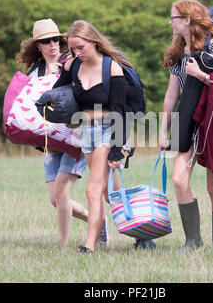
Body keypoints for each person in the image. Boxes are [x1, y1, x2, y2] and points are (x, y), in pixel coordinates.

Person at [52, 20, 155, 253]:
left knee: (92, 189)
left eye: (81, 48)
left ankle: (89, 247)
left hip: (109, 131)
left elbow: (121, 113)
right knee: (111, 193)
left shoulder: (112, 69)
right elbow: (60, 96)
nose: (77, 53)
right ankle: (143, 235)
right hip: (86, 132)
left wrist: (118, 150)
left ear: (94, 42)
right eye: (73, 49)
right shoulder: (74, 66)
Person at [15, 18, 108, 247]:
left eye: (56, 39)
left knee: (62, 193)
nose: (53, 44)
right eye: (46, 41)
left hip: (74, 138)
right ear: (38, 45)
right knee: (55, 199)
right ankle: (95, 220)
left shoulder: (73, 62)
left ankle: (63, 244)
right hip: (49, 140)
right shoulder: (35, 73)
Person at [160, 0, 213, 252]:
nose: (170, 22)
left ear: (188, 20)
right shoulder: (178, 53)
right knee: (179, 180)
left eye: (174, 18)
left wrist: (200, 75)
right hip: (186, 121)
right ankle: (193, 241)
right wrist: (162, 131)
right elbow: (171, 95)